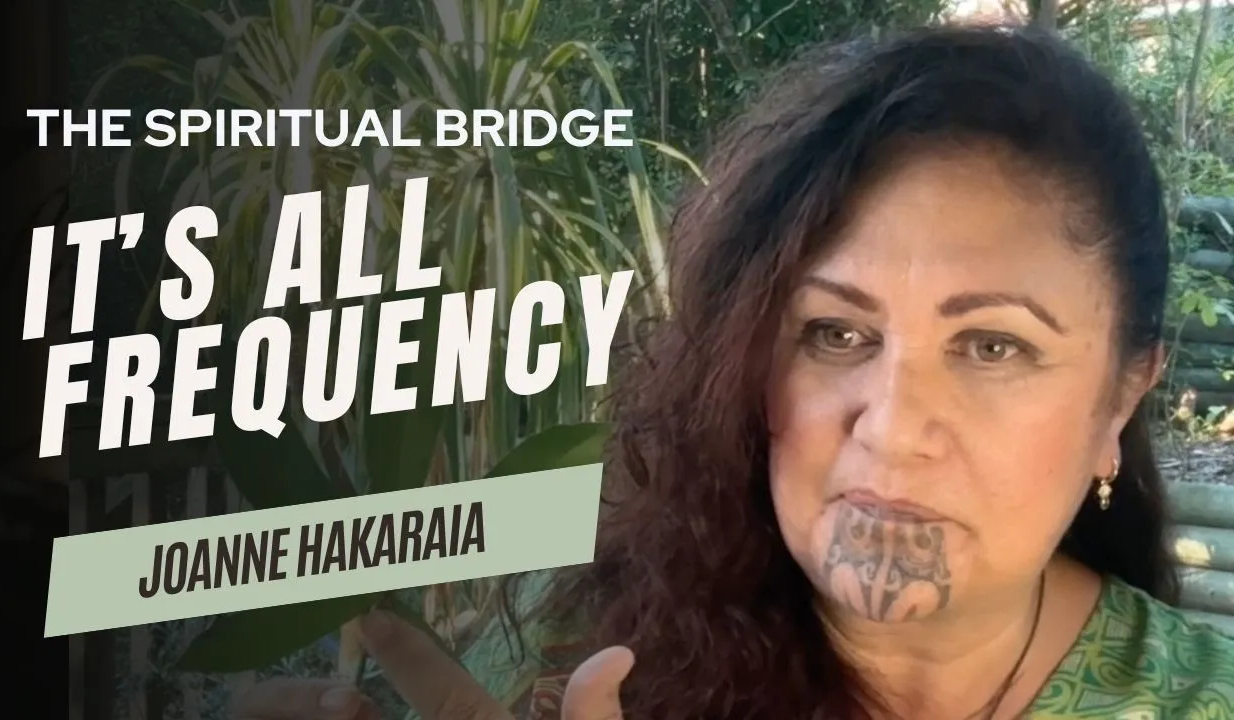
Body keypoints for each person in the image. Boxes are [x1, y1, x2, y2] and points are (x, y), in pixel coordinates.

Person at [234, 23, 1234, 720]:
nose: (891, 426)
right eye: (833, 333)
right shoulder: (568, 653)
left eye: (992, 346)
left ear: (1120, 397)